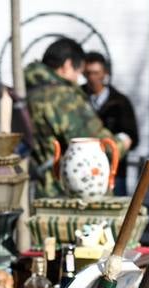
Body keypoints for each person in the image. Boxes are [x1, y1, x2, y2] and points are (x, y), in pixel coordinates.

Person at [25, 37, 116, 197]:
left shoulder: (26, 89)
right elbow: (94, 143)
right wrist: (122, 143)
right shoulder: (61, 97)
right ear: (67, 65)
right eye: (79, 73)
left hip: (30, 189)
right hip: (63, 191)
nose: (78, 80)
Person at [82, 51, 137, 195]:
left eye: (96, 73)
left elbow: (133, 137)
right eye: (88, 73)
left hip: (114, 172)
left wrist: (117, 145)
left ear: (104, 73)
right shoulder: (78, 100)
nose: (92, 78)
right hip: (83, 170)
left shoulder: (120, 103)